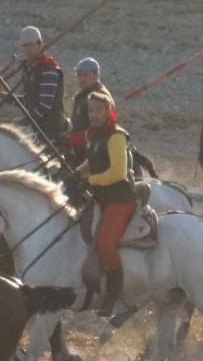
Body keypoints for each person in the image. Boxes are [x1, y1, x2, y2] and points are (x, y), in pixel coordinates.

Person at [75, 90, 134, 320]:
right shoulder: (94, 135)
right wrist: (75, 173)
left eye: (98, 110)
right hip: (100, 198)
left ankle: (114, 295)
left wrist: (91, 180)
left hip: (119, 200)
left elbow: (118, 173)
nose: (94, 115)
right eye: (90, 110)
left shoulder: (117, 136)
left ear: (108, 111)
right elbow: (94, 160)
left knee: (105, 244)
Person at [13, 25, 67, 149]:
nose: (27, 50)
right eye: (25, 46)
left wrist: (25, 121)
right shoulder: (30, 69)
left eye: (30, 45)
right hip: (35, 129)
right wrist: (2, 95)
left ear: (39, 44)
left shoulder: (49, 70)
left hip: (51, 130)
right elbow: (28, 100)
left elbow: (44, 106)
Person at [62, 57, 113, 169]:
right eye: (79, 75)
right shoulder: (82, 95)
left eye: (85, 75)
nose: (81, 79)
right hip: (79, 149)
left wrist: (73, 139)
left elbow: (102, 130)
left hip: (96, 152)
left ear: (96, 75)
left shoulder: (101, 96)